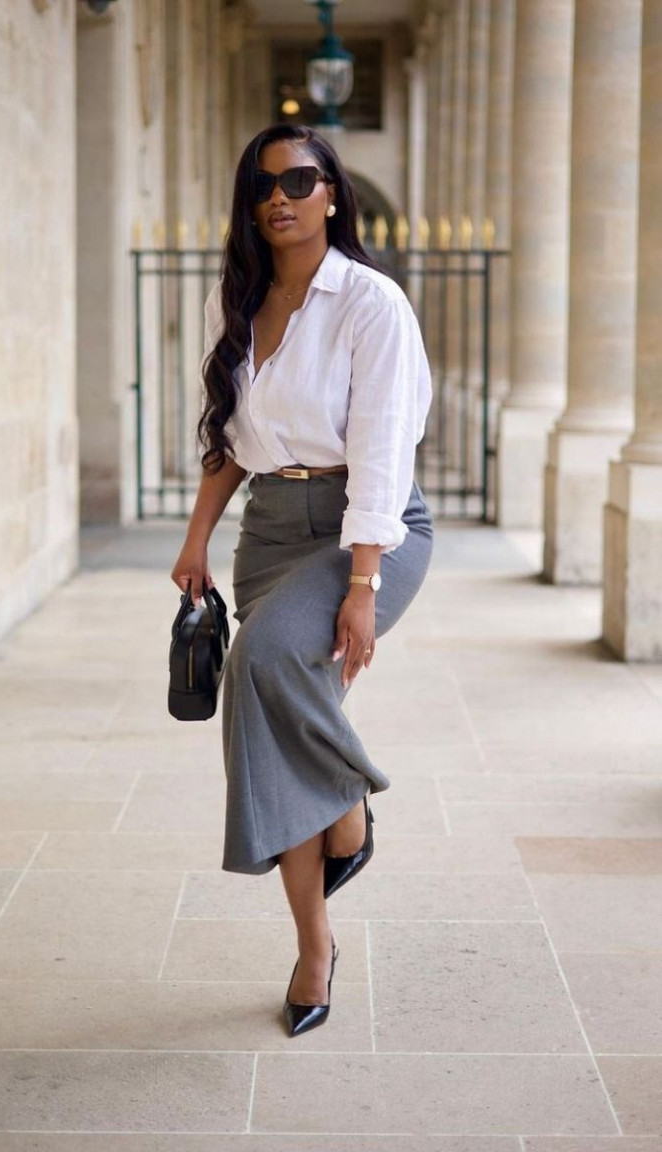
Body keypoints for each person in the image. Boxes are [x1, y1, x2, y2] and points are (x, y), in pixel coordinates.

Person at [171, 123, 433, 1038]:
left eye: (298, 179)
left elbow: (381, 450)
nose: (278, 196)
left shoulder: (371, 303)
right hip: (270, 535)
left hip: (372, 525)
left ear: (331, 194)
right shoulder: (236, 301)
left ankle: (355, 798)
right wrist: (198, 539)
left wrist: (364, 582)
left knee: (261, 669)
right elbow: (226, 443)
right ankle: (313, 946)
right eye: (261, 184)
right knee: (272, 725)